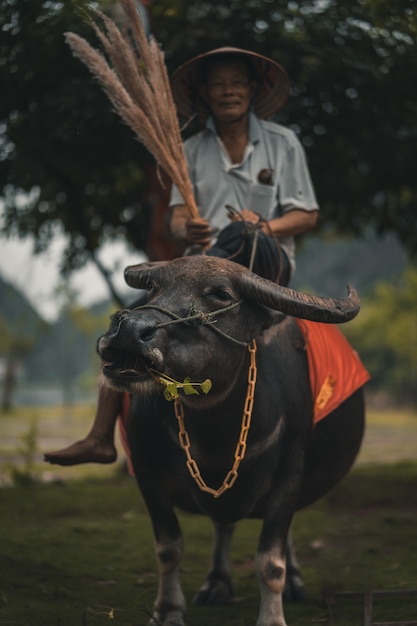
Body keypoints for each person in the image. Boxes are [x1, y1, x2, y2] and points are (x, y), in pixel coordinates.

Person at [44, 47, 318, 466]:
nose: (228, 91)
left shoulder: (284, 143)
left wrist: (263, 227)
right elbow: (175, 220)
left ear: (252, 89)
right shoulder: (187, 150)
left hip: (263, 264)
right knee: (125, 322)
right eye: (218, 84)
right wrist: (185, 229)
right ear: (205, 93)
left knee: (241, 232)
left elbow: (306, 214)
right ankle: (100, 436)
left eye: (237, 82)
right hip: (192, 276)